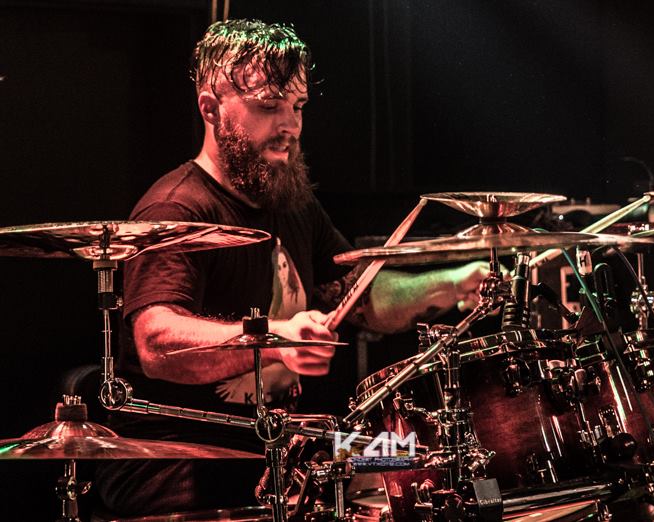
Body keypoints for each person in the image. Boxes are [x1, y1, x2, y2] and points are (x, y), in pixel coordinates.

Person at [96, 19, 489, 517]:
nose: (290, 126)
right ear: (210, 109)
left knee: (434, 459)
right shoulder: (177, 209)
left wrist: (453, 283)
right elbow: (156, 342)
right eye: (268, 106)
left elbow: (361, 299)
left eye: (297, 107)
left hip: (292, 447)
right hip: (190, 461)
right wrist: (277, 337)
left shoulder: (292, 202)